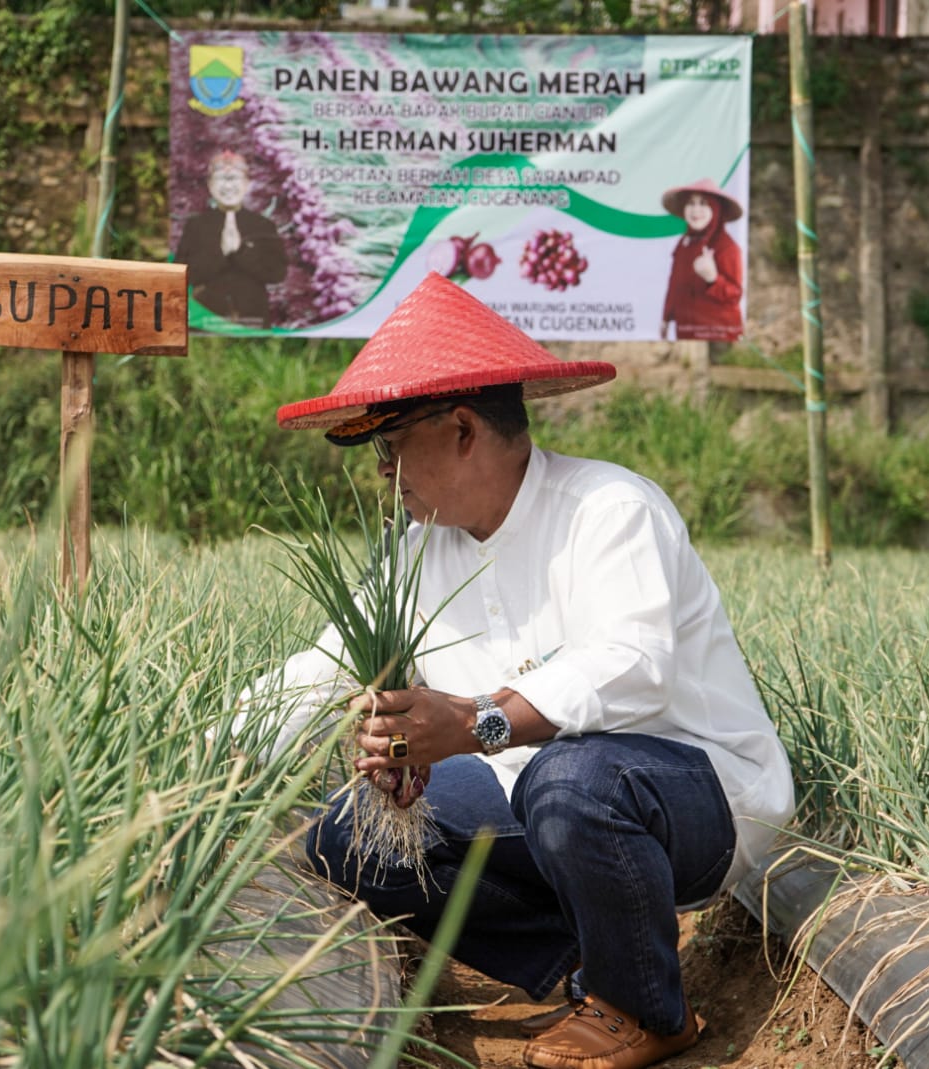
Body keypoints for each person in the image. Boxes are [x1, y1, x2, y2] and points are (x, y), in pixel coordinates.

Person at [246, 272, 794, 1069]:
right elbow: (323, 667)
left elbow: (631, 668)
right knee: (349, 833)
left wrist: (470, 723)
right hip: (529, 797)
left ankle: (647, 1008)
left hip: (695, 799)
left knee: (570, 780)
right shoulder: (417, 552)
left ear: (462, 428)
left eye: (392, 449)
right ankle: (590, 968)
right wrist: (201, 762)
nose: (383, 476)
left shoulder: (609, 510)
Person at [173, 150, 288, 327]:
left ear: (247, 184)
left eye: (234, 178)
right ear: (210, 185)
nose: (228, 186)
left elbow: (277, 273)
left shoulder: (263, 226)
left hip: (253, 321)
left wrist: (241, 251)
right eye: (220, 179)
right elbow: (182, 276)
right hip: (207, 321)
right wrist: (221, 253)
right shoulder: (195, 226)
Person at [659, 178, 745, 343]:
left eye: (704, 203)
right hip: (687, 329)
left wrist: (713, 279)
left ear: (716, 209)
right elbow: (675, 282)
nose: (695, 210)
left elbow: (735, 295)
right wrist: (666, 317)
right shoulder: (684, 243)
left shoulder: (727, 248)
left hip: (719, 334)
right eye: (691, 203)